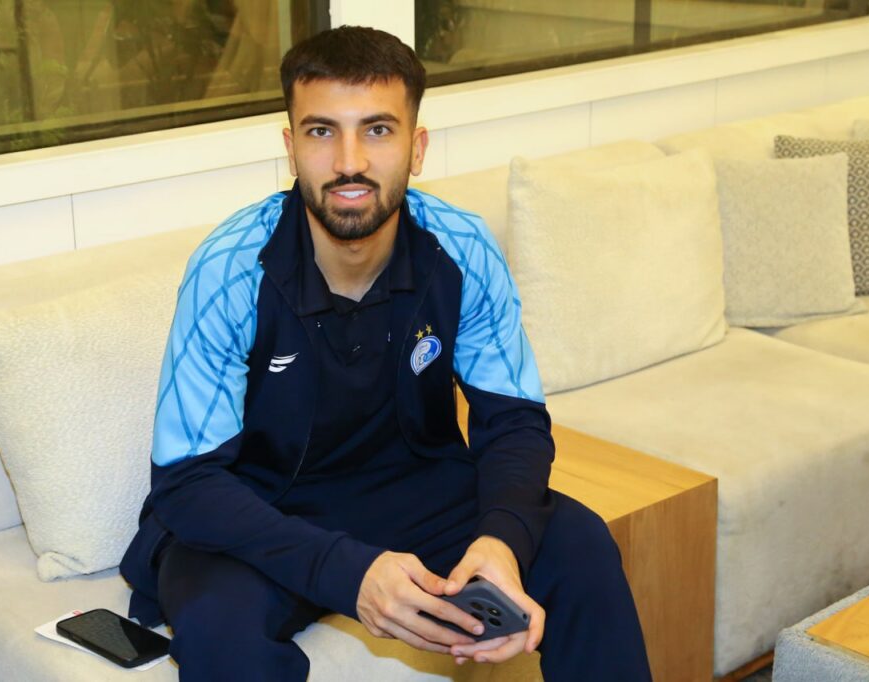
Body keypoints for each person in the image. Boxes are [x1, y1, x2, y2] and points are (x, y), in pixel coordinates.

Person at [120, 25, 652, 682]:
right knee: (219, 630)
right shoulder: (229, 269)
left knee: (580, 543)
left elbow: (513, 421)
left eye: (377, 130)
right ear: (291, 148)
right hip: (261, 511)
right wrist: (348, 572)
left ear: (416, 147)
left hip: (415, 492)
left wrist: (501, 540)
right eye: (322, 131)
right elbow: (188, 484)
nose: (350, 162)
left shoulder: (461, 246)